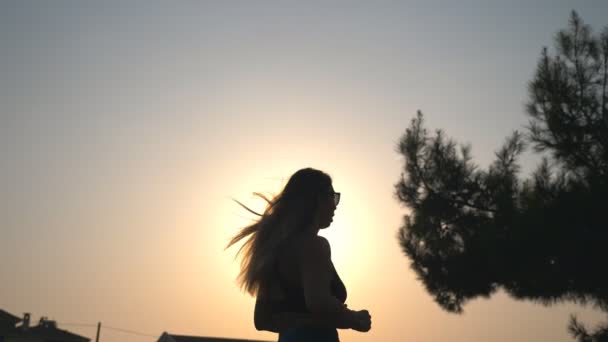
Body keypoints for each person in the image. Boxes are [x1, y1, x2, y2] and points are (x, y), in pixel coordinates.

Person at [226, 168, 372, 342]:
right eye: (332, 197)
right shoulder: (315, 246)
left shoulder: (275, 250)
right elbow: (319, 303)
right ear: (317, 199)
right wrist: (354, 319)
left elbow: (262, 320)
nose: (335, 205)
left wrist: (305, 320)